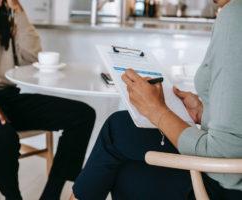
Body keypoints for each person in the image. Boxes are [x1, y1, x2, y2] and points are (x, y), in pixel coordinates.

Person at [71, 0, 242, 199]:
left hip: (227, 189)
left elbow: (225, 160)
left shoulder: (236, 13)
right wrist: (205, 112)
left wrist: (157, 111)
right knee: (125, 150)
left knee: (119, 129)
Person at [0, 0, 96, 199]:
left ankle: (52, 194)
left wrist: (19, 11)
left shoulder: (2, 10)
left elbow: (32, 57)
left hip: (6, 95)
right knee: (3, 139)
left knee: (82, 115)